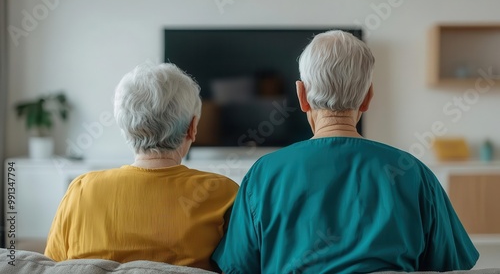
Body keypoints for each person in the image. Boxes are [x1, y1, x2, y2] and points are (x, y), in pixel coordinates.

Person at [211, 30, 479, 273]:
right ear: (367, 97)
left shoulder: (263, 174)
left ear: (301, 96)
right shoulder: (414, 173)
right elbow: (450, 267)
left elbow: (238, 268)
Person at [45, 63, 239, 272]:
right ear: (192, 128)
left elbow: (52, 267)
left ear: (125, 127)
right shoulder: (224, 193)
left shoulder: (81, 190)